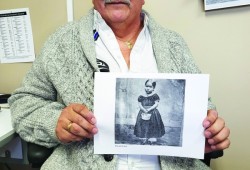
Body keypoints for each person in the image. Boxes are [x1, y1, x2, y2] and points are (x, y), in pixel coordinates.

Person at [8, 0, 230, 169]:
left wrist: (207, 134)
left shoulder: (174, 44)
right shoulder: (62, 42)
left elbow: (203, 109)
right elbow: (23, 102)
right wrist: (55, 121)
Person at [134, 79, 165, 145]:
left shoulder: (155, 96)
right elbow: (139, 104)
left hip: (153, 112)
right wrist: (143, 109)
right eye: (146, 86)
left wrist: (149, 109)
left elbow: (156, 104)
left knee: (152, 125)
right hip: (143, 112)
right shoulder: (141, 96)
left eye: (150, 87)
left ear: (153, 88)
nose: (148, 88)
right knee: (143, 125)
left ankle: (152, 138)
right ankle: (144, 137)